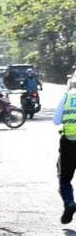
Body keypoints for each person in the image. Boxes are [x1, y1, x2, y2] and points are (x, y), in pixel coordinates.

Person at [54, 76, 76, 224]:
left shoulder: (66, 97)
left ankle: (69, 202)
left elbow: (56, 120)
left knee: (64, 178)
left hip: (69, 143)